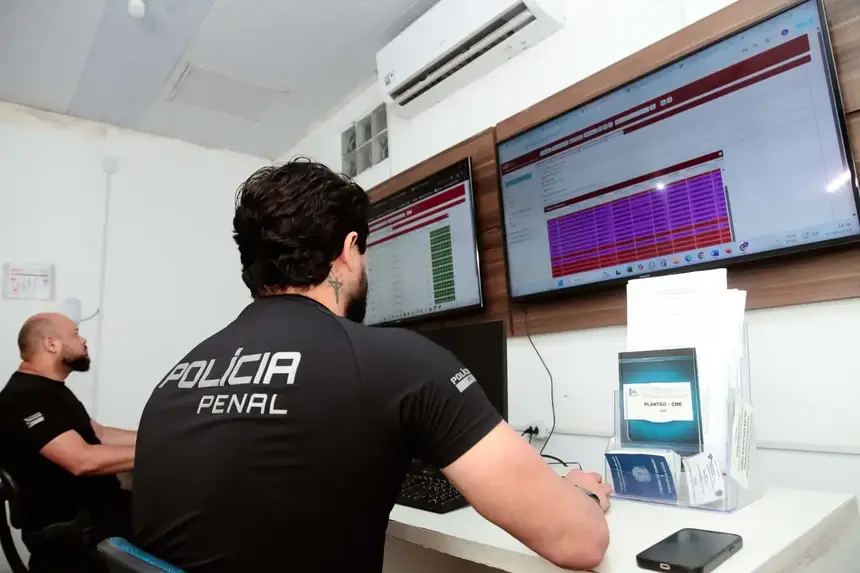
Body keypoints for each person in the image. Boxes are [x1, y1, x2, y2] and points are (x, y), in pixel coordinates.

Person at [132, 158, 611, 573]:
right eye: (363, 252)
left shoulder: (177, 377)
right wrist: (580, 494)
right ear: (348, 249)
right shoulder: (401, 361)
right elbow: (578, 541)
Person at [0, 313, 136, 573]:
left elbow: (99, 434)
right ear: (51, 344)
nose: (83, 340)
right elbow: (80, 460)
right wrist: (159, 452)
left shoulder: (50, 389)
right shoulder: (25, 397)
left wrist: (159, 436)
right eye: (75, 334)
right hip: (77, 535)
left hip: (99, 516)